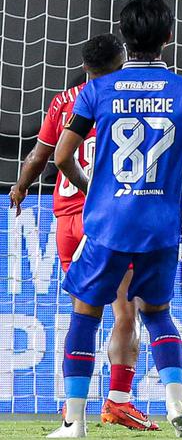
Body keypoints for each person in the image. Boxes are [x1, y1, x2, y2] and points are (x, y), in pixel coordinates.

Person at [49, 0, 182, 438]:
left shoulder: (97, 89)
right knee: (157, 313)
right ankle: (178, 406)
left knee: (85, 316)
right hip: (161, 225)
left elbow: (62, 155)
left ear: (125, 38)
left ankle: (76, 424)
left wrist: (92, 188)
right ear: (168, 37)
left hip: (106, 223)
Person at [9, 35, 159, 431]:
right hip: (105, 220)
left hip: (65, 222)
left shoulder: (63, 100)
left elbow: (42, 155)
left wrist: (21, 185)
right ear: (121, 60)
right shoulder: (124, 100)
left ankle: (72, 409)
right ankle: (118, 401)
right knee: (126, 308)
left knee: (82, 313)